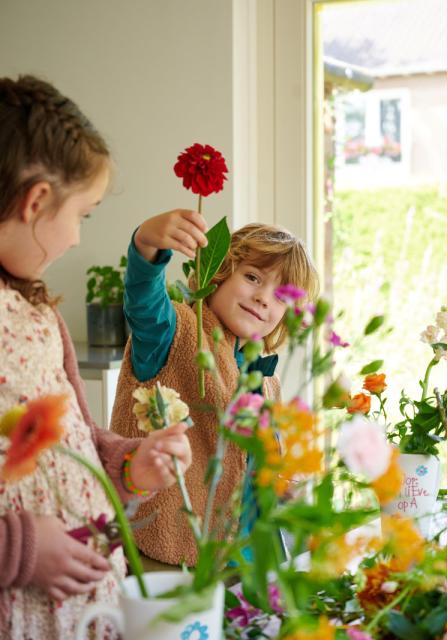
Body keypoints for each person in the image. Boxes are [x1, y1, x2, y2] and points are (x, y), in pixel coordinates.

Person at [0, 75, 192, 639]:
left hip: (84, 615)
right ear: (35, 201)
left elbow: (79, 441)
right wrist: (21, 550)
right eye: (82, 214)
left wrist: (133, 464)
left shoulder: (37, 311)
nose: (80, 238)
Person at [110, 212, 319, 567]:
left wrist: (282, 483)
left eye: (281, 295)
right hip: (166, 554)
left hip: (243, 560)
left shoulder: (266, 379)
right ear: (218, 274)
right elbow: (143, 302)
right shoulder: (175, 333)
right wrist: (146, 244)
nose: (264, 298)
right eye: (253, 277)